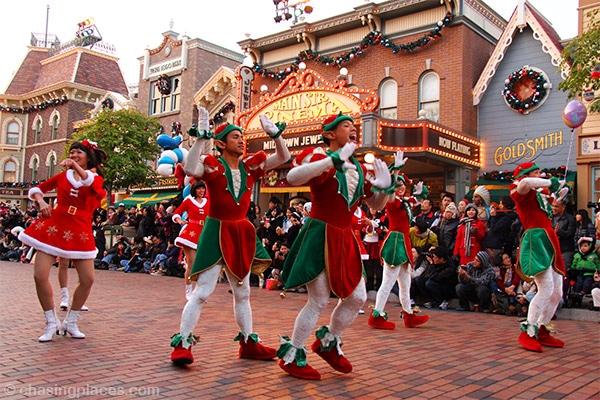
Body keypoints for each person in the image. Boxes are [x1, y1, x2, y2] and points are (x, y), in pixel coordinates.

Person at [169, 110, 290, 366]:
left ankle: (248, 343)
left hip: (239, 232)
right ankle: (182, 343)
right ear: (222, 143)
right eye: (236, 137)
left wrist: (276, 135)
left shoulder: (250, 166)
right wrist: (202, 137)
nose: (241, 140)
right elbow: (190, 167)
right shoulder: (214, 165)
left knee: (243, 292)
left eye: (242, 137)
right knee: (202, 292)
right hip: (216, 231)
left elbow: (284, 157)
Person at [277, 112, 391, 380]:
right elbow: (293, 178)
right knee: (318, 300)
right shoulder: (319, 156)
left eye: (354, 127)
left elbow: (373, 206)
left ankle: (329, 342)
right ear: (329, 133)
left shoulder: (359, 168)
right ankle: (293, 354)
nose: (353, 130)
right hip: (320, 232)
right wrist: (332, 160)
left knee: (358, 298)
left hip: (344, 236)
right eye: (346, 126)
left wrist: (385, 190)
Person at [18, 140, 107, 341]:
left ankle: (71, 321)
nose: (74, 155)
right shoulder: (62, 176)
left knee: (87, 279)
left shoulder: (95, 178)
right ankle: (51, 322)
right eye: (72, 152)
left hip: (80, 228)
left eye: (79, 153)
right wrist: (41, 202)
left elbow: (90, 183)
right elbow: (37, 189)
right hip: (55, 224)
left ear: (88, 156)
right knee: (40, 275)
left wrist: (74, 165)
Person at [510, 161, 567, 352]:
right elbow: (525, 183)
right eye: (536, 172)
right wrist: (550, 183)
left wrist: (558, 194)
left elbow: (548, 203)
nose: (539, 175)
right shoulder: (520, 189)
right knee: (546, 287)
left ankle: (543, 328)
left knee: (557, 291)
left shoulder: (539, 195)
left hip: (550, 239)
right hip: (536, 239)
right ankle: (529, 331)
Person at [368, 153, 429, 329]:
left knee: (405, 284)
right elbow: (392, 192)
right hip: (395, 244)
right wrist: (395, 171)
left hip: (403, 243)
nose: (401, 187)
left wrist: (418, 192)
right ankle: (376, 316)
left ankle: (408, 315)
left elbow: (417, 200)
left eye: (403, 185)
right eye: (398, 184)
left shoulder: (405, 202)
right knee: (387, 282)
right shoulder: (391, 200)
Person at [172, 179, 209, 299]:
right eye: (199, 188)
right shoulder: (189, 200)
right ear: (194, 190)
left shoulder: (208, 202)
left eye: (203, 188)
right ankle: (188, 291)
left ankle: (199, 292)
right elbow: (177, 212)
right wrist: (179, 220)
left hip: (204, 233)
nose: (201, 191)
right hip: (191, 233)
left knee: (203, 265)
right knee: (191, 264)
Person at [552, 198, 576, 268]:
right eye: (552, 206)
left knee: (563, 270)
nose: (553, 208)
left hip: (565, 249)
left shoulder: (570, 219)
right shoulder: (549, 217)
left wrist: (559, 231)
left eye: (556, 206)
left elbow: (570, 234)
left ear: (563, 208)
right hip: (552, 249)